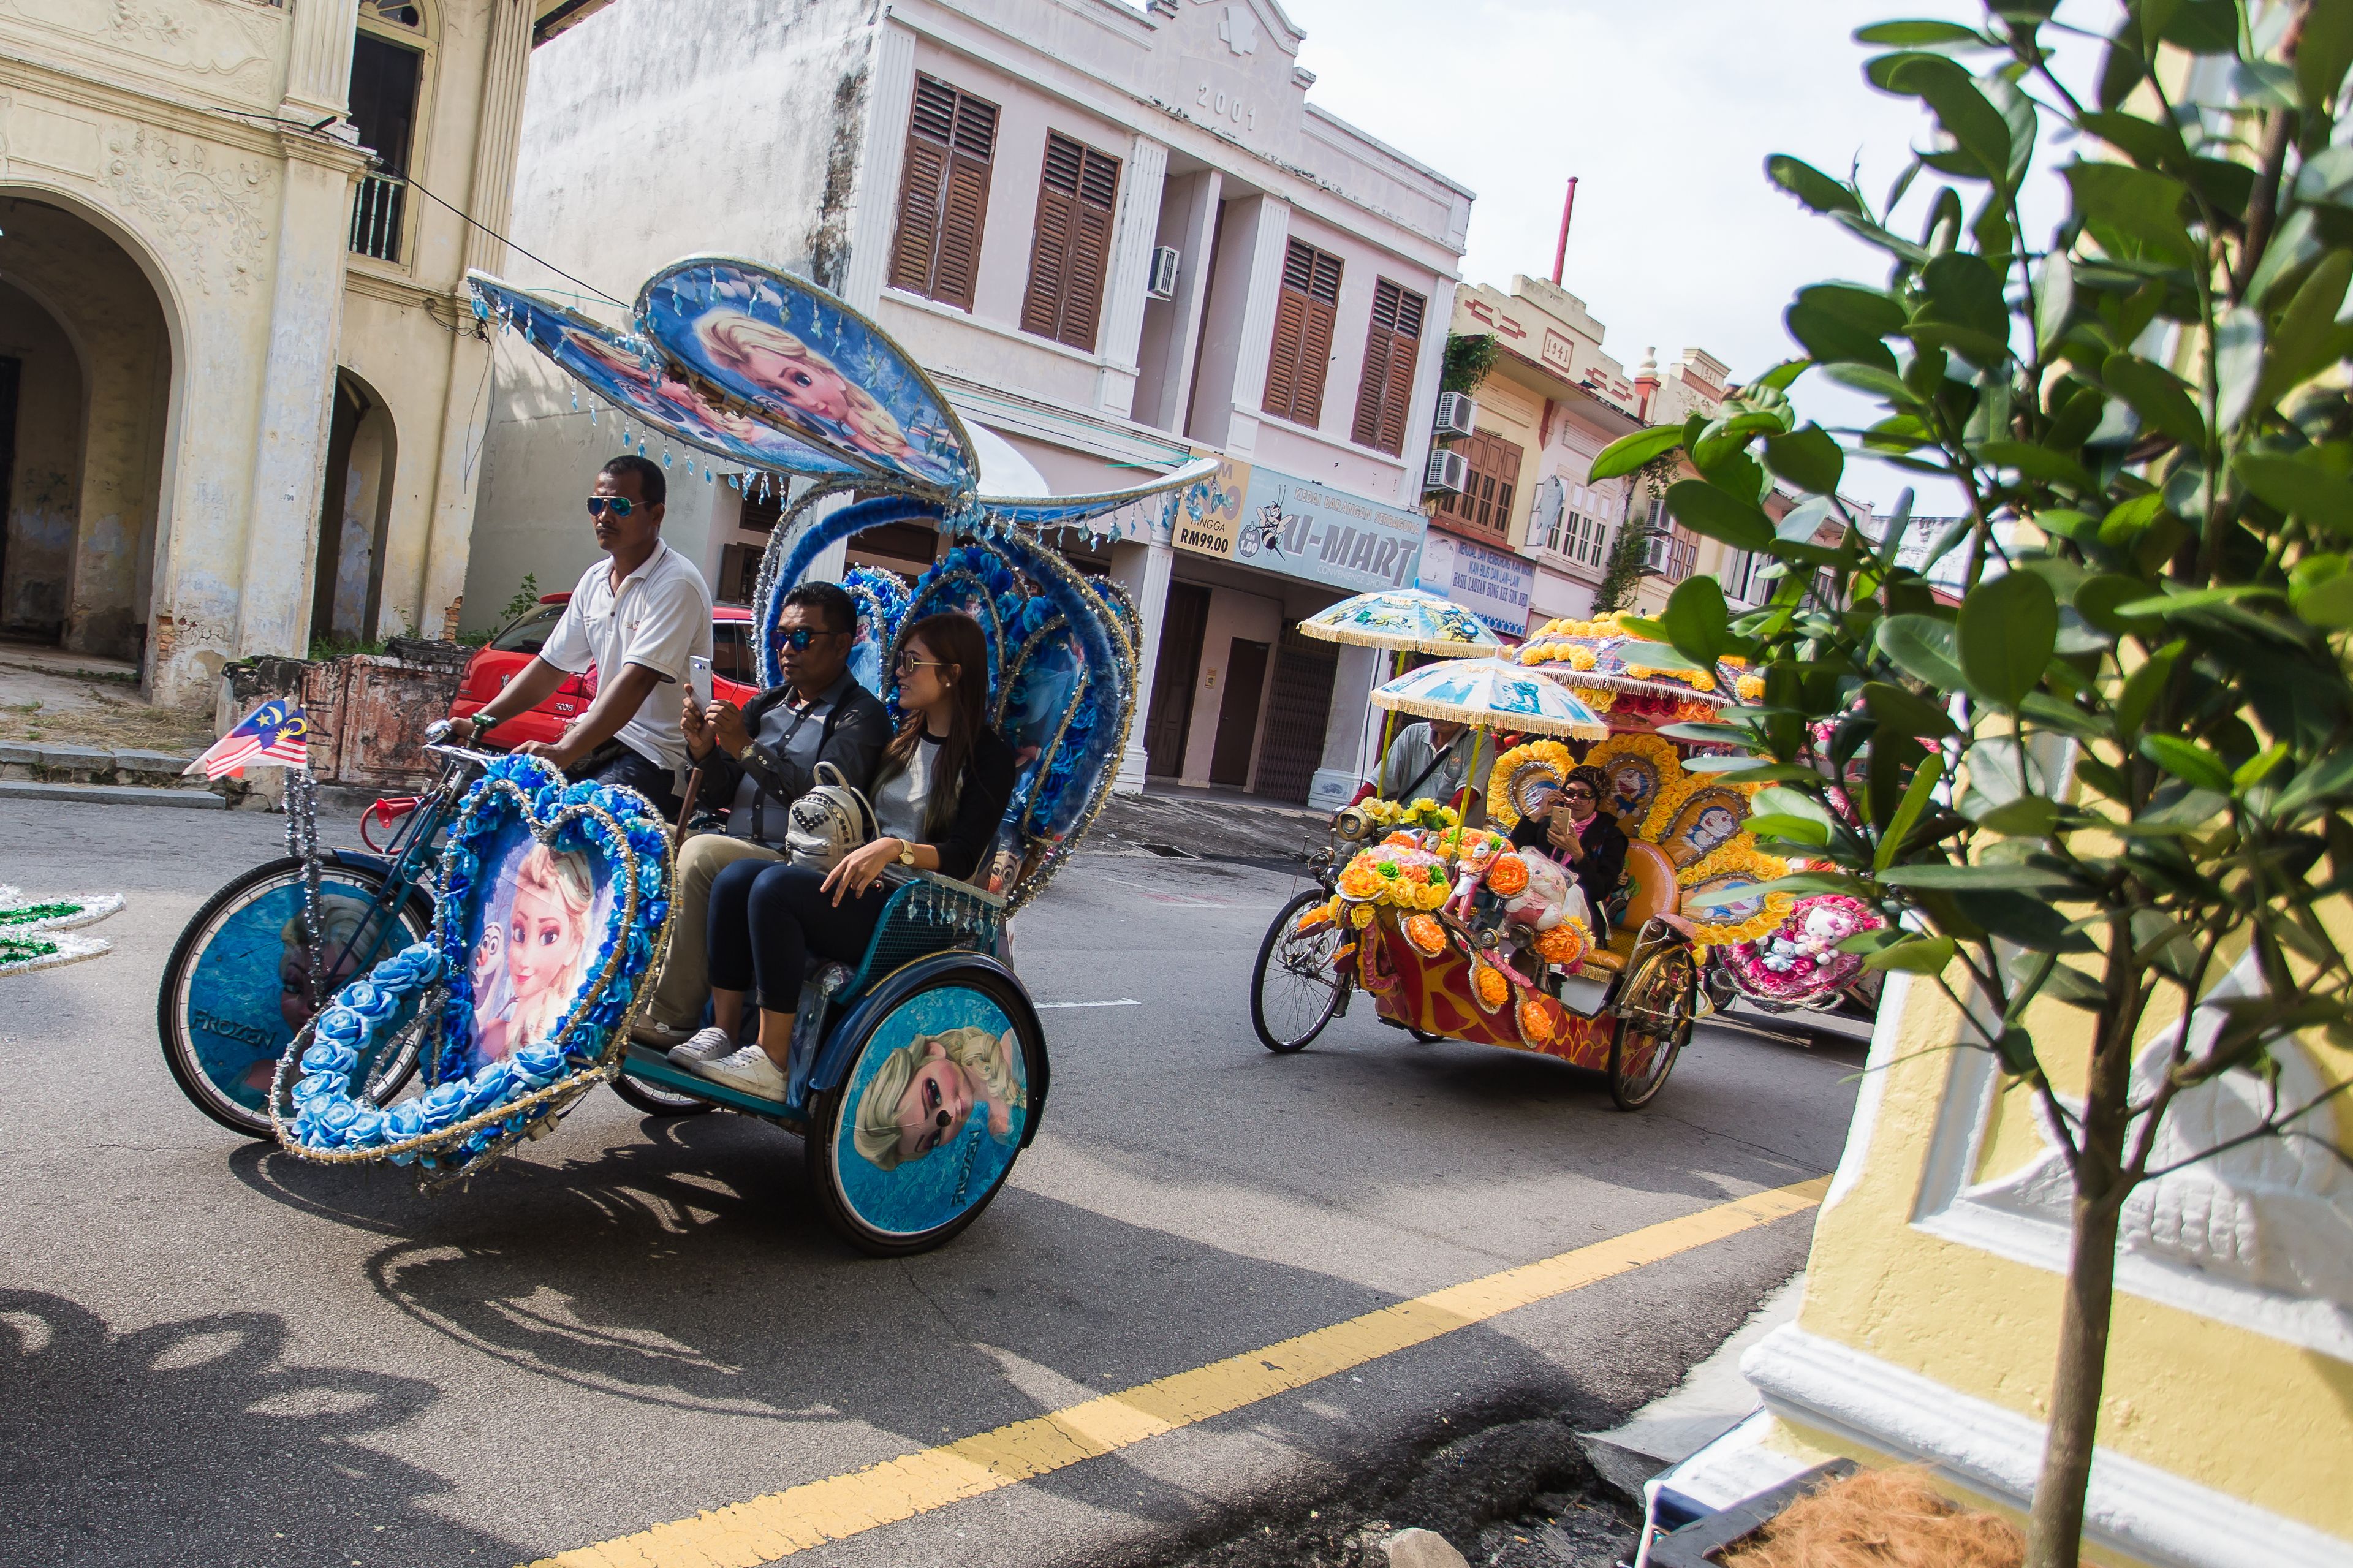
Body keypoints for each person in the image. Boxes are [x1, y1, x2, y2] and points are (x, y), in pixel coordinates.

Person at [677, 612, 1017, 1099]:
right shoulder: (902, 739)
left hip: (911, 910)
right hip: (859, 885)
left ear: (953, 673)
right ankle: (724, 1032)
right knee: (736, 878)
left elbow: (963, 856)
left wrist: (893, 848)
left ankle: (772, 1059)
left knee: (775, 891)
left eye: (912, 662)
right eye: (900, 660)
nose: (899, 671)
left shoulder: (989, 756)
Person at [629, 581, 892, 1049]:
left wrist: (746, 750)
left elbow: (825, 803)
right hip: (737, 840)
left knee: (704, 853)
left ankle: (673, 1016)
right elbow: (719, 791)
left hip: (793, 864)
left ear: (842, 644)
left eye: (803, 637)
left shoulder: (860, 717)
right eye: (781, 636)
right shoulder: (768, 703)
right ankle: (621, 988)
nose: (787, 648)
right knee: (638, 832)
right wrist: (705, 751)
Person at [444, 454, 712, 812]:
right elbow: (550, 667)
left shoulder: (676, 583)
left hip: (655, 755)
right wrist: (480, 721)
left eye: (620, 505)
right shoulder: (595, 579)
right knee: (504, 808)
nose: (604, 516)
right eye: (596, 505)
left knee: (571, 825)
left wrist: (564, 752)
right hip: (598, 740)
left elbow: (638, 680)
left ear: (656, 514)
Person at [694, 312, 916, 461]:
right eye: (781, 392)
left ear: (827, 372)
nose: (809, 402)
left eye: (802, 379)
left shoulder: (917, 433)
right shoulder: (841, 447)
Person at [472, 844, 595, 1064]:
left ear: (574, 945)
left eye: (549, 937)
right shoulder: (493, 1028)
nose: (525, 960)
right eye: (519, 933)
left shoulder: (555, 1040)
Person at [853, 1025, 1026, 1171]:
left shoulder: (1015, 1044)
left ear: (933, 1052)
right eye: (935, 1136)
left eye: (934, 1095)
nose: (949, 1115)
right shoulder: (1000, 1131)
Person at [1511, 764, 1629, 931]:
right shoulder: (1547, 822)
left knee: (1573, 891)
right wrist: (1539, 814)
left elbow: (1599, 890)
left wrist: (1577, 853)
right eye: (1569, 792)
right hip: (1534, 897)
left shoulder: (1611, 836)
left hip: (1578, 907)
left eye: (1585, 795)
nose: (1575, 800)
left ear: (1596, 800)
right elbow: (1513, 853)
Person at [1372, 716, 1496, 827]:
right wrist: (1355, 812)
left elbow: (1468, 792)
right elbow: (1378, 782)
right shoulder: (1413, 733)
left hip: (1453, 833)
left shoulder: (1481, 742)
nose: (1440, 715)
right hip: (1407, 827)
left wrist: (1438, 824)